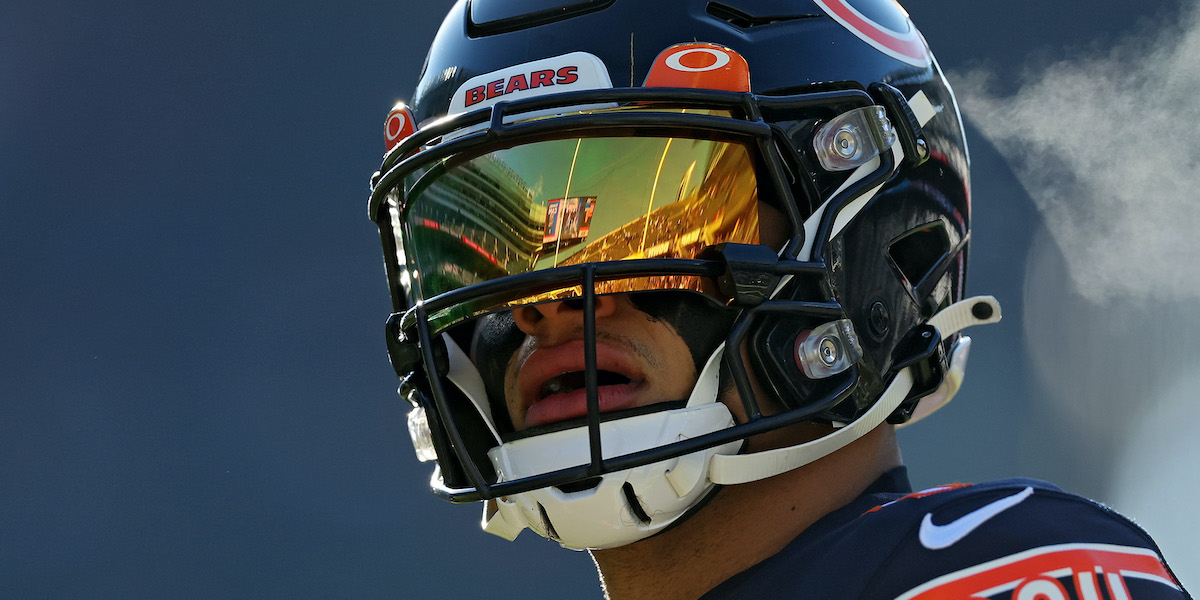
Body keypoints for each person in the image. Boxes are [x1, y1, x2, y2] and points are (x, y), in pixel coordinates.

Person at [366, 0, 1192, 598]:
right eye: (478, 250)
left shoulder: (992, 571)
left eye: (642, 228)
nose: (543, 305)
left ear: (863, 250)